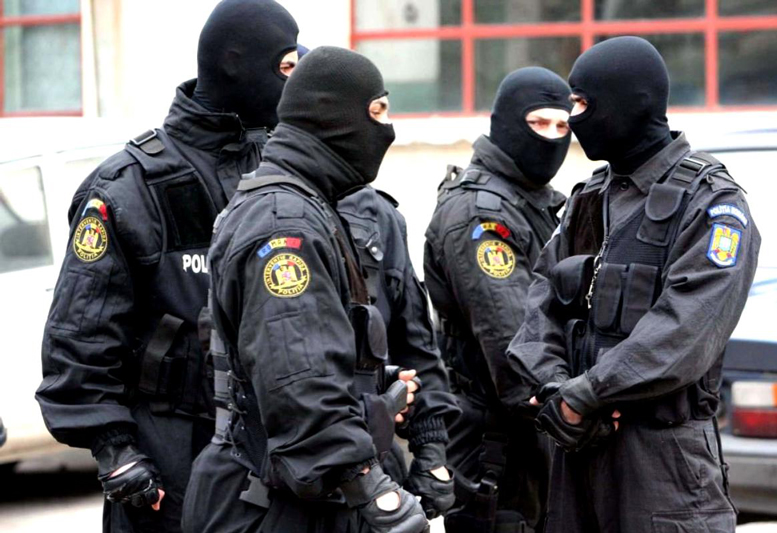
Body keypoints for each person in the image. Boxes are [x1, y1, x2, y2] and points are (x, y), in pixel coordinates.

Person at [35, 1, 298, 531]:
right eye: (286, 67)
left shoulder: (280, 171)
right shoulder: (131, 187)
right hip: (170, 462)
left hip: (273, 453)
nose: (294, 85)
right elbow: (80, 336)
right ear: (234, 64)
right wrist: (117, 452)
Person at [507, 36, 760, 532]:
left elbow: (686, 329)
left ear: (629, 103)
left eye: (582, 104)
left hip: (664, 464)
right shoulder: (588, 198)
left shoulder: (711, 202)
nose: (572, 120)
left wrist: (587, 394)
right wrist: (556, 388)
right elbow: (540, 304)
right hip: (577, 448)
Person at [182, 46, 429, 533]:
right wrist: (374, 492)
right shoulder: (286, 224)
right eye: (378, 111)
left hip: (290, 495)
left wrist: (375, 387)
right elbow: (299, 379)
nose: (387, 128)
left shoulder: (305, 204)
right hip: (270, 506)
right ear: (335, 118)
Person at [424, 67, 572, 533]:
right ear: (507, 122)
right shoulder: (482, 214)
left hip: (530, 441)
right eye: (539, 123)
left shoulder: (530, 200)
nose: (551, 137)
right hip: (494, 449)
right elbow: (515, 346)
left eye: (562, 126)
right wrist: (582, 412)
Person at [338, 186, 461, 518]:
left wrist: (432, 451)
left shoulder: (376, 212)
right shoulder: (261, 202)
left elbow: (415, 343)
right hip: (271, 468)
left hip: (375, 461)